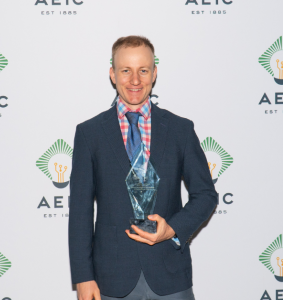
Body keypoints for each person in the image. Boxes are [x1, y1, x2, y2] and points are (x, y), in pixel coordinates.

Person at [68, 35, 218, 300]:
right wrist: (83, 277)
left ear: (154, 73)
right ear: (113, 74)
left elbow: (205, 195)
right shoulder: (89, 133)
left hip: (171, 275)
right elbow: (80, 212)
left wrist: (172, 229)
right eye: (126, 71)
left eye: (143, 70)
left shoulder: (180, 129)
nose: (135, 80)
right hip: (111, 279)